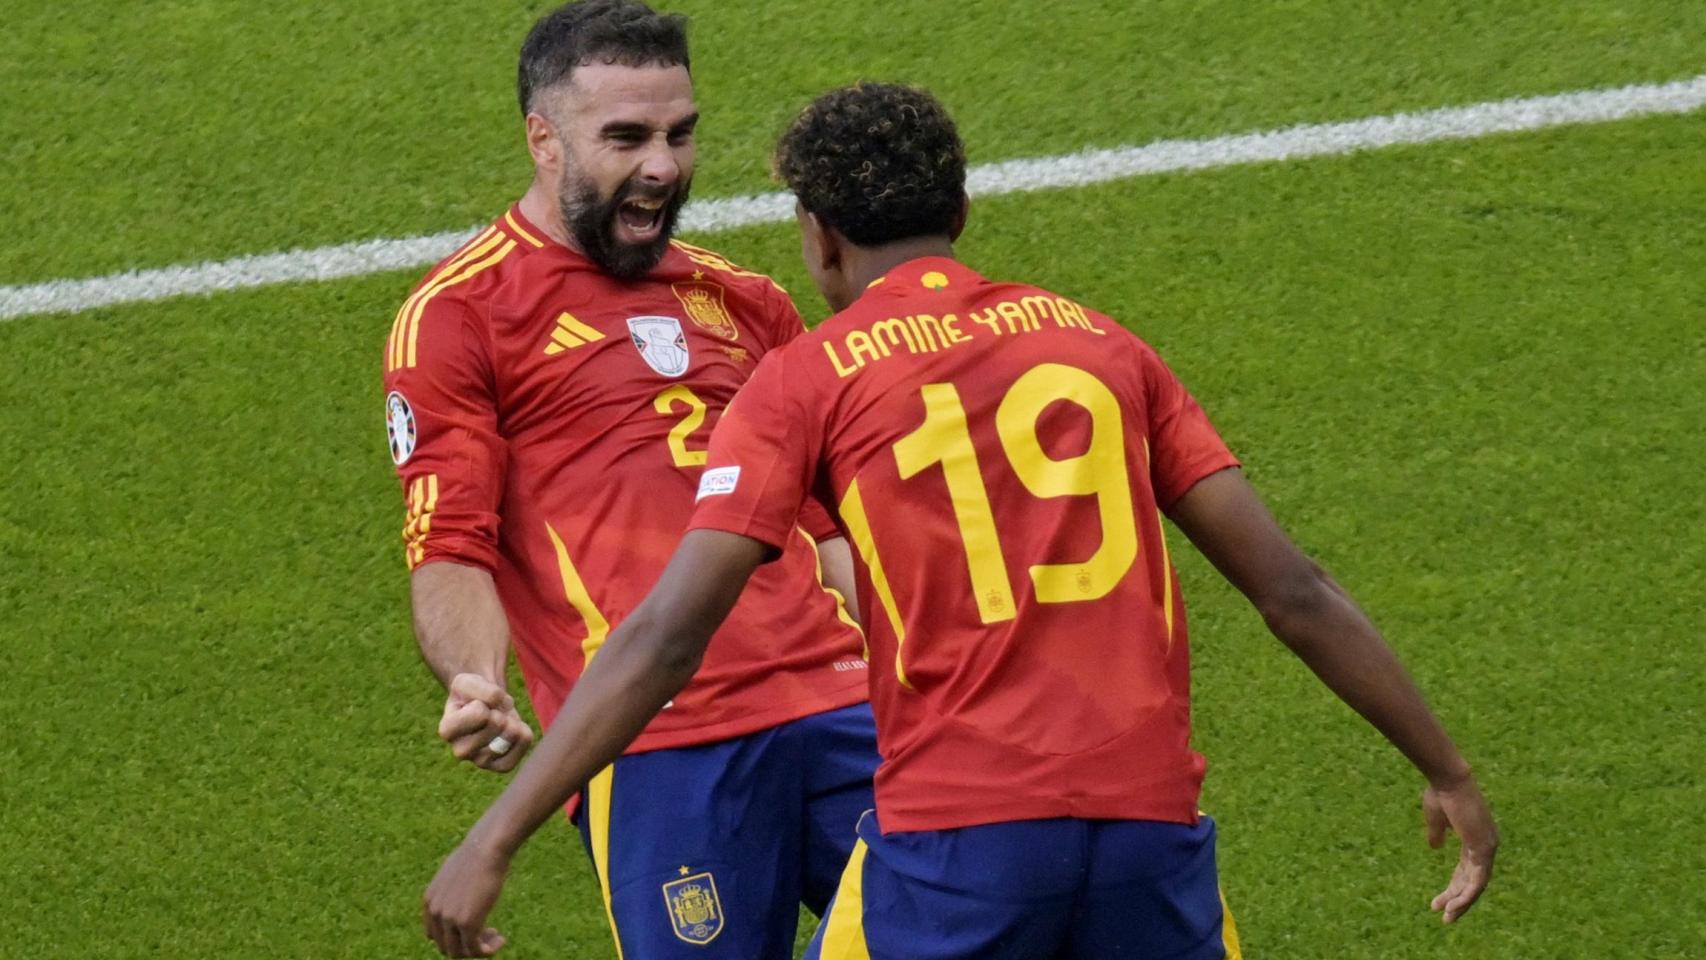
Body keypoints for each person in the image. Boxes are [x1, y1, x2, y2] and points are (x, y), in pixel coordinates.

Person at [420, 82, 1499, 959]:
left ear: (818, 235)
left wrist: (495, 834)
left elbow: (665, 635)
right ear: (963, 212)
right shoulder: (1099, 345)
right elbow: (1292, 591)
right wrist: (1445, 768)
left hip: (953, 848)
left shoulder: (803, 380)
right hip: (1149, 834)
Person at [384, 4, 879, 957]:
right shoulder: (460, 315)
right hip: (655, 745)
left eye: (679, 134)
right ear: (544, 139)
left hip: (845, 709)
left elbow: (833, 532)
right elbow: (450, 543)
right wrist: (476, 682)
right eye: (627, 137)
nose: (663, 166)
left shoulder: (748, 301)